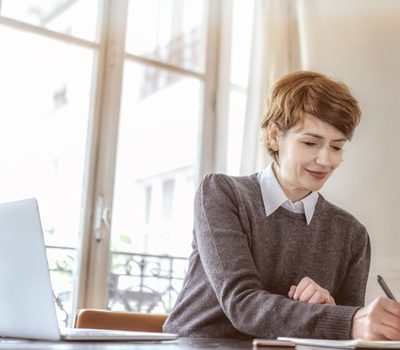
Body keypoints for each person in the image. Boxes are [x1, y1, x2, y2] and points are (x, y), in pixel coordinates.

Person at [163, 71, 400, 340]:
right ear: (275, 136)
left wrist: (330, 308)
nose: (326, 160)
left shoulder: (351, 234)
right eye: (311, 143)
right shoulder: (222, 194)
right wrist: (343, 322)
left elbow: (346, 331)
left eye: (336, 147)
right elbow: (242, 304)